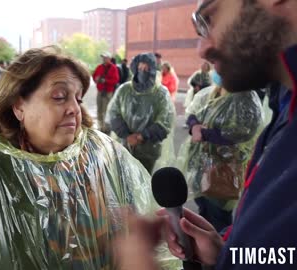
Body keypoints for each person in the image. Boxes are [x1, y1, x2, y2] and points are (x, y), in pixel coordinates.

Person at [0, 47, 179, 270]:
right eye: (59, 97)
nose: (73, 109)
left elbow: (141, 239)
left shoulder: (106, 155)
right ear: (19, 105)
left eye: (78, 98)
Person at [115, 0, 297, 269]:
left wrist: (138, 262)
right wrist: (227, 253)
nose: (202, 48)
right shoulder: (284, 106)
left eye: (209, 19)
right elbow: (282, 254)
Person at [182, 71, 263, 232]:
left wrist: (204, 133)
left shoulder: (246, 99)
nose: (217, 69)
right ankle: (203, 251)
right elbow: (192, 112)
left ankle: (219, 253)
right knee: (203, 210)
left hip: (224, 170)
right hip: (199, 165)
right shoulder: (212, 91)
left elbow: (242, 132)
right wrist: (194, 126)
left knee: (218, 216)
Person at [106, 52, 174, 173]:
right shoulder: (124, 90)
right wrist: (127, 136)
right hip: (124, 146)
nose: (143, 71)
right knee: (124, 181)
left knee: (145, 182)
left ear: (153, 70)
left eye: (147, 69)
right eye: (140, 68)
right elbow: (114, 114)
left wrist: (142, 136)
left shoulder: (161, 93)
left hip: (149, 150)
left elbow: (165, 121)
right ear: (135, 68)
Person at [92, 52, 120, 133]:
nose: (103, 59)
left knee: (106, 110)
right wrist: (96, 79)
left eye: (105, 57)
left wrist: (106, 81)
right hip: (100, 91)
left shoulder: (113, 68)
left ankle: (106, 128)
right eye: (103, 57)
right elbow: (94, 76)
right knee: (99, 109)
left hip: (108, 92)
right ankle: (100, 127)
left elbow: (115, 80)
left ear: (109, 59)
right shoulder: (99, 67)